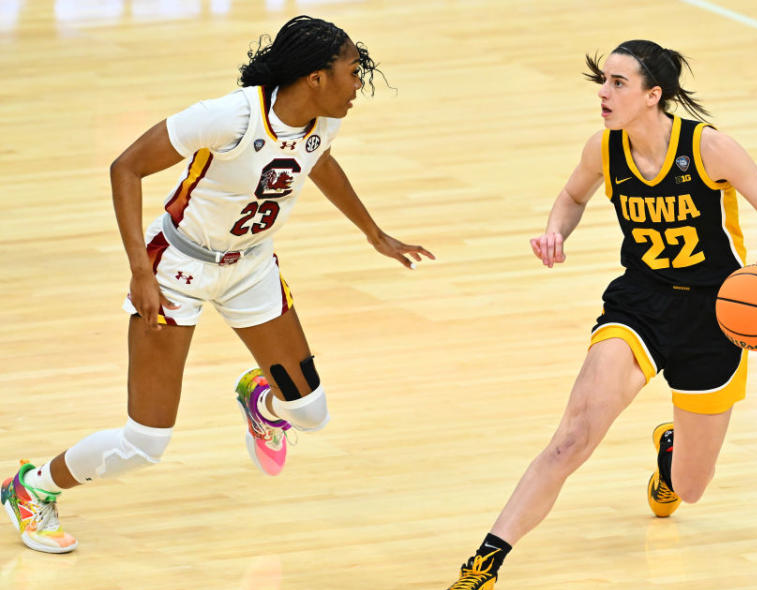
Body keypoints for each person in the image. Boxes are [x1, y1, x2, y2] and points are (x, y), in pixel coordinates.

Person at [1, 15, 434, 554]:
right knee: (146, 443)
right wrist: (141, 271)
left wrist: (375, 233)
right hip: (177, 271)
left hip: (251, 268)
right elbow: (126, 168)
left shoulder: (325, 119)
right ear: (316, 77)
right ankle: (31, 487)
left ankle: (260, 401)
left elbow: (316, 161)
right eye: (352, 71)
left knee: (310, 413)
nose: (359, 83)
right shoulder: (227, 118)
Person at [432, 39, 757, 590]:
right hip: (640, 304)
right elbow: (571, 195)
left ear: (652, 95)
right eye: (601, 82)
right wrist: (556, 230)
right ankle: (482, 567)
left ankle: (671, 452)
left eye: (617, 84)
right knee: (571, 437)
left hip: (717, 316)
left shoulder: (711, 148)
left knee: (690, 488)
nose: (604, 95)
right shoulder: (604, 150)